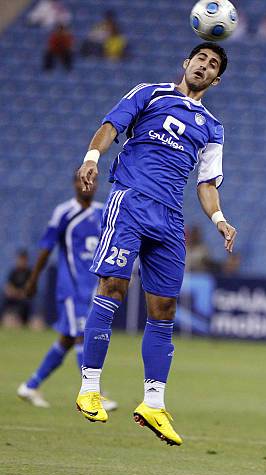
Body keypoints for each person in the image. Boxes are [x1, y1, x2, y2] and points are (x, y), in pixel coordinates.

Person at [74, 43, 237, 447]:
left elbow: (205, 183)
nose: (205, 65)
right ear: (187, 63)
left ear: (216, 80)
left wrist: (218, 219)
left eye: (213, 64)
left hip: (170, 219)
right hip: (130, 199)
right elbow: (111, 125)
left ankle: (153, 403)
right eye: (201, 58)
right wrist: (92, 157)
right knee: (112, 286)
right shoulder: (149, 93)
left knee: (164, 309)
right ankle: (90, 386)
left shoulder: (213, 127)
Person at [17, 172, 117, 411]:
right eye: (83, 180)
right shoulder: (64, 213)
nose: (87, 185)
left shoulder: (103, 213)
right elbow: (45, 247)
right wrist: (33, 280)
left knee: (67, 339)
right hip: (71, 288)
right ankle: (94, 394)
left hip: (92, 288)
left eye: (93, 181)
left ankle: (31, 385)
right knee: (83, 336)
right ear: (74, 183)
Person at [1, 250, 32, 327]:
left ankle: (21, 321)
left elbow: (29, 289)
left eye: (23, 259)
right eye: (20, 259)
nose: (21, 261)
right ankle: (4, 319)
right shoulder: (13, 272)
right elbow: (8, 287)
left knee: (25, 303)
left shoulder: (29, 273)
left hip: (23, 299)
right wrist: (15, 292)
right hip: (12, 298)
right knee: (3, 300)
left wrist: (20, 293)